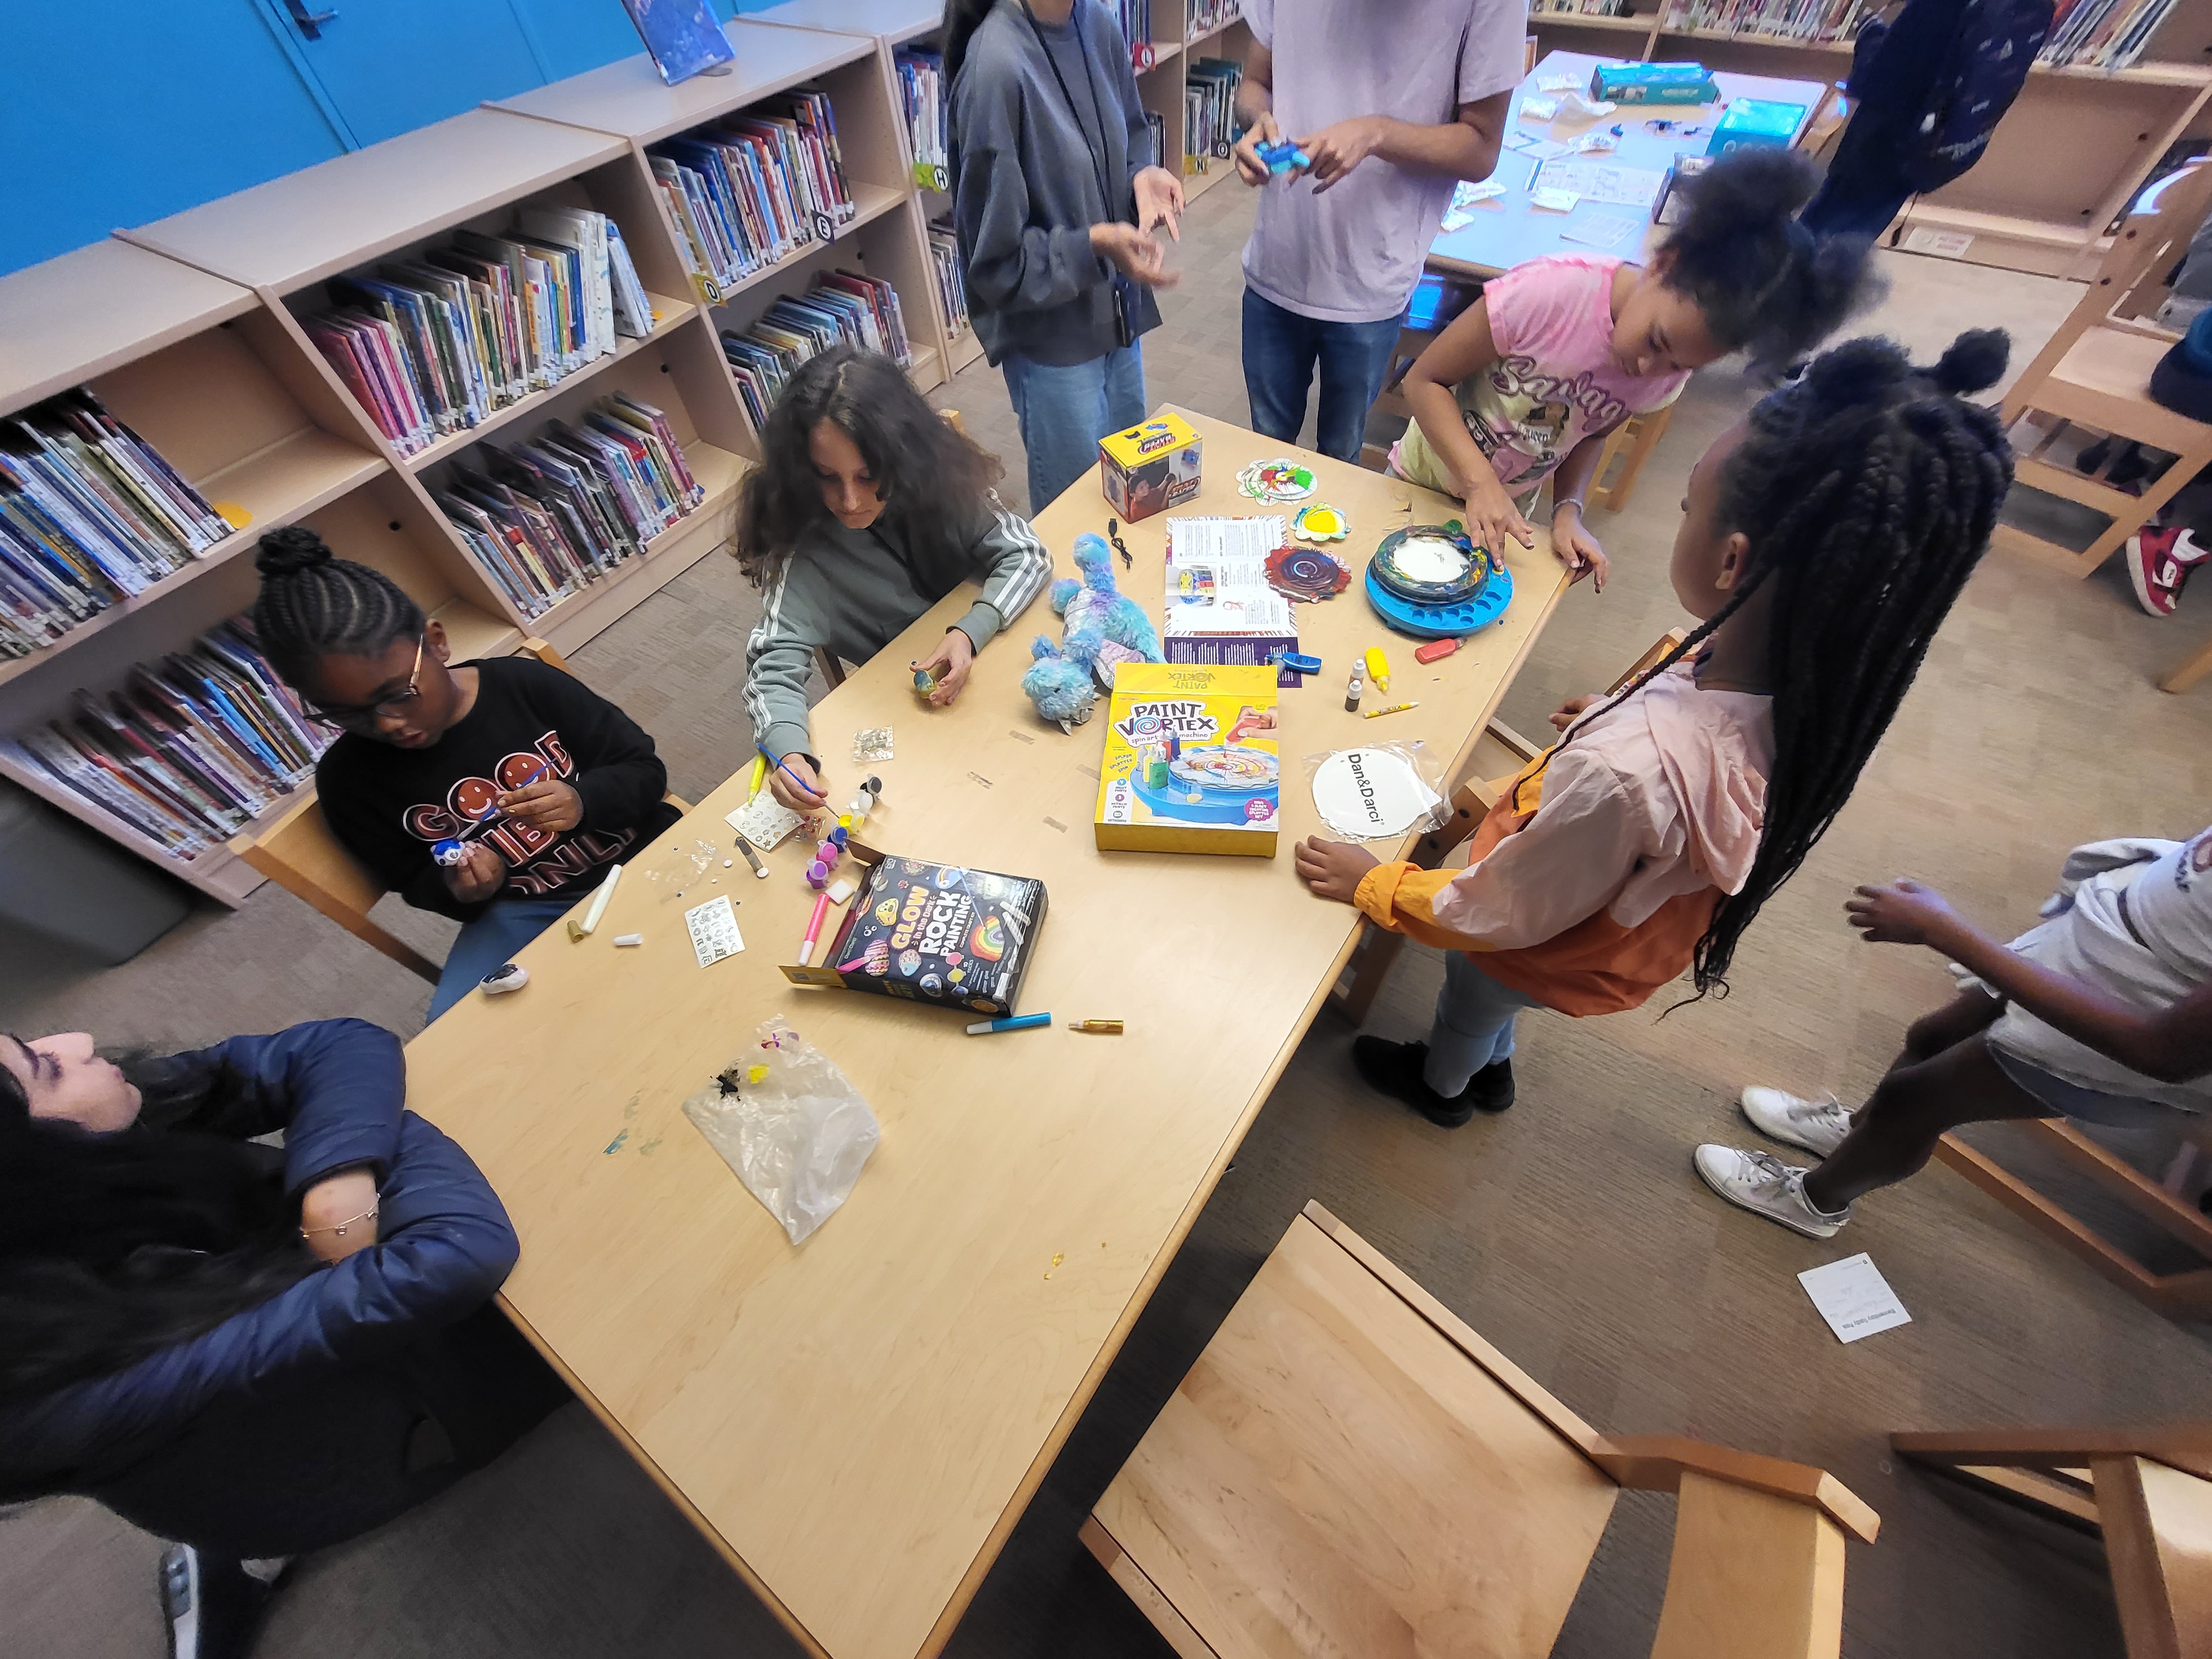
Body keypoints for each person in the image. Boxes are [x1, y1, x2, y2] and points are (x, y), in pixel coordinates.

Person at [1291, 330, 2015, 1124]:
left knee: (1472, 999)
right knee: (1496, 1013)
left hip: (1540, 939)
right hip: (1607, 929)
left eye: (1686, 506)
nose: (1680, 516)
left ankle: (1443, 1089)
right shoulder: (1814, 694)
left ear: (1733, 563)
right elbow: (1659, 772)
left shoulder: (1629, 774)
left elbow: (1497, 913)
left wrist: (1376, 882)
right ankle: (1491, 1071)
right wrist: (1613, 721)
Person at [0, 1019, 567, 1659]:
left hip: (282, 1343)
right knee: (583, 1323)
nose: (74, 1041)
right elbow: (449, 1261)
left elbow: (335, 1044)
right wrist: (355, 1150)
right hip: (327, 1467)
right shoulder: (53, 1396)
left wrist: (338, 1171)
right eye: (44, 1069)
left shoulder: (71, 1146)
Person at [1395, 148, 1877, 589]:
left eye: (1680, 365)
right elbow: (1424, 380)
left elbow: (1591, 432)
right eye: (1656, 341)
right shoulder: (1545, 294)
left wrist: (1568, 510)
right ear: (1663, 265)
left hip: (1508, 507)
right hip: (1424, 477)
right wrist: (1481, 484)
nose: (1649, 368)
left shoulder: (1668, 370)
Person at [251, 528, 681, 1021]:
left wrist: (585, 801)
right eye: (345, 715)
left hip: (641, 851)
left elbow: (644, 770)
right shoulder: (348, 780)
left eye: (400, 693)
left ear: (436, 643)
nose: (387, 723)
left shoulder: (524, 686)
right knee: (460, 1035)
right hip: (524, 908)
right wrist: (466, 888)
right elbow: (412, 880)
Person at [1696, 834, 2212, 1238]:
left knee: (1916, 1100)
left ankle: (1815, 1201)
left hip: (2123, 1031)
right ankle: (1858, 1132)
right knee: (1935, 1033)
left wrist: (1946, 932)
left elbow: (2160, 1052)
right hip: (2102, 952)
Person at [735, 346, 1051, 812]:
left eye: (868, 476)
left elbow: (1028, 553)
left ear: (902, 457)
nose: (849, 501)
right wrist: (788, 751)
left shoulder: (936, 479)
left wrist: (970, 630)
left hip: (998, 670)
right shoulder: (802, 550)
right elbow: (770, 666)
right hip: (920, 725)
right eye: (827, 477)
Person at [1229, 0, 1522, 465]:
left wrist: (1377, 133)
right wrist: (1258, 124)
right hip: (1277, 262)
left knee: (1341, 460)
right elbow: (1255, 83)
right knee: (1266, 452)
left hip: (1372, 279)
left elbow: (1482, 147)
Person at [945, 0, 1185, 509]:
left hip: (1118, 320)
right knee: (1079, 523)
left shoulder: (1097, 23)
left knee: (1136, 501)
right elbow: (996, 264)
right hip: (1053, 346)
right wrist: (1094, 245)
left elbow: (1126, 141)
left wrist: (1139, 176)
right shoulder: (996, 68)